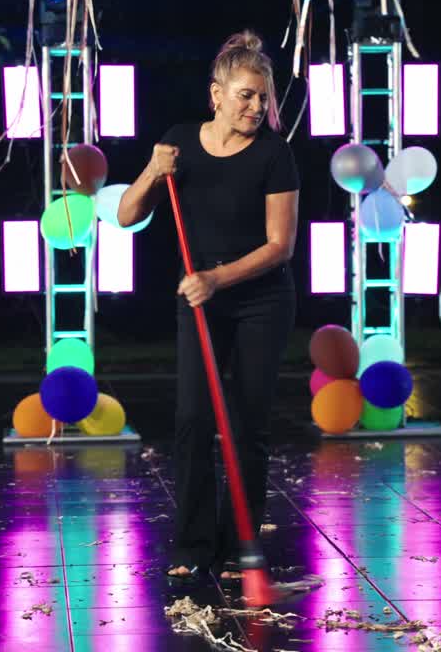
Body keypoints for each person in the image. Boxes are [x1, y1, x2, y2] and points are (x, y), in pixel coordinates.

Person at [117, 30, 299, 579]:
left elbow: (279, 246)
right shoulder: (179, 142)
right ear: (216, 95)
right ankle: (194, 546)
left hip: (261, 300)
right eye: (246, 95)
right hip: (199, 302)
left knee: (246, 424)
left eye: (263, 97)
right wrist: (153, 170)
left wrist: (217, 278)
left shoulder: (274, 153)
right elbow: (125, 216)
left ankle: (239, 543)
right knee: (194, 419)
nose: (256, 106)